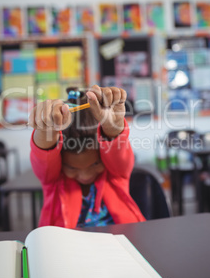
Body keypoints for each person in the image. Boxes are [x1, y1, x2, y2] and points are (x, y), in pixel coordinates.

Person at [29, 85, 146, 228]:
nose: (85, 175)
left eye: (95, 164)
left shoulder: (115, 174)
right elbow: (44, 158)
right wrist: (45, 132)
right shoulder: (54, 181)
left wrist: (111, 127)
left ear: (104, 155)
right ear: (60, 162)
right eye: (72, 168)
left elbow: (117, 150)